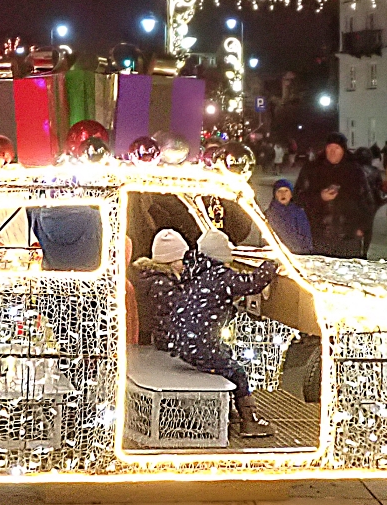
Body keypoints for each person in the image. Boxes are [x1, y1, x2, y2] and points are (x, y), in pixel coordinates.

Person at [167, 231, 278, 437]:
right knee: (237, 371)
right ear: (222, 256)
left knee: (225, 354)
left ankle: (228, 407)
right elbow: (252, 283)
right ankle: (250, 421)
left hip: (181, 343)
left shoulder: (195, 273)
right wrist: (271, 265)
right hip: (200, 345)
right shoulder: (222, 276)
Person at [294, 133, 373, 258]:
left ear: (343, 150)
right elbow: (298, 198)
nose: (333, 152)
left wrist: (361, 228)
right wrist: (320, 197)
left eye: (337, 148)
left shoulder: (355, 171)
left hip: (349, 237)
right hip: (320, 235)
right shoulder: (312, 169)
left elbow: (367, 203)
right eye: (330, 148)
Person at [130, 229, 189, 349]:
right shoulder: (164, 285)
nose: (185, 264)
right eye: (182, 260)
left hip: (150, 345)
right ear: (171, 262)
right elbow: (170, 318)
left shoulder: (152, 279)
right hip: (159, 348)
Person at [354, 147, 387, 258]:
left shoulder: (354, 169)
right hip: (371, 203)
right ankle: (364, 251)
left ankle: (357, 249)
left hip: (356, 202)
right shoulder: (375, 171)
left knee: (355, 226)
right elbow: (380, 187)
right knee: (368, 228)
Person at [265, 179, 312, 254]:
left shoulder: (299, 212)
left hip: (298, 254)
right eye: (279, 191)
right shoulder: (269, 214)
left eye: (286, 190)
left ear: (291, 194)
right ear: (275, 195)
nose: (283, 194)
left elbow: (306, 236)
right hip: (277, 254)